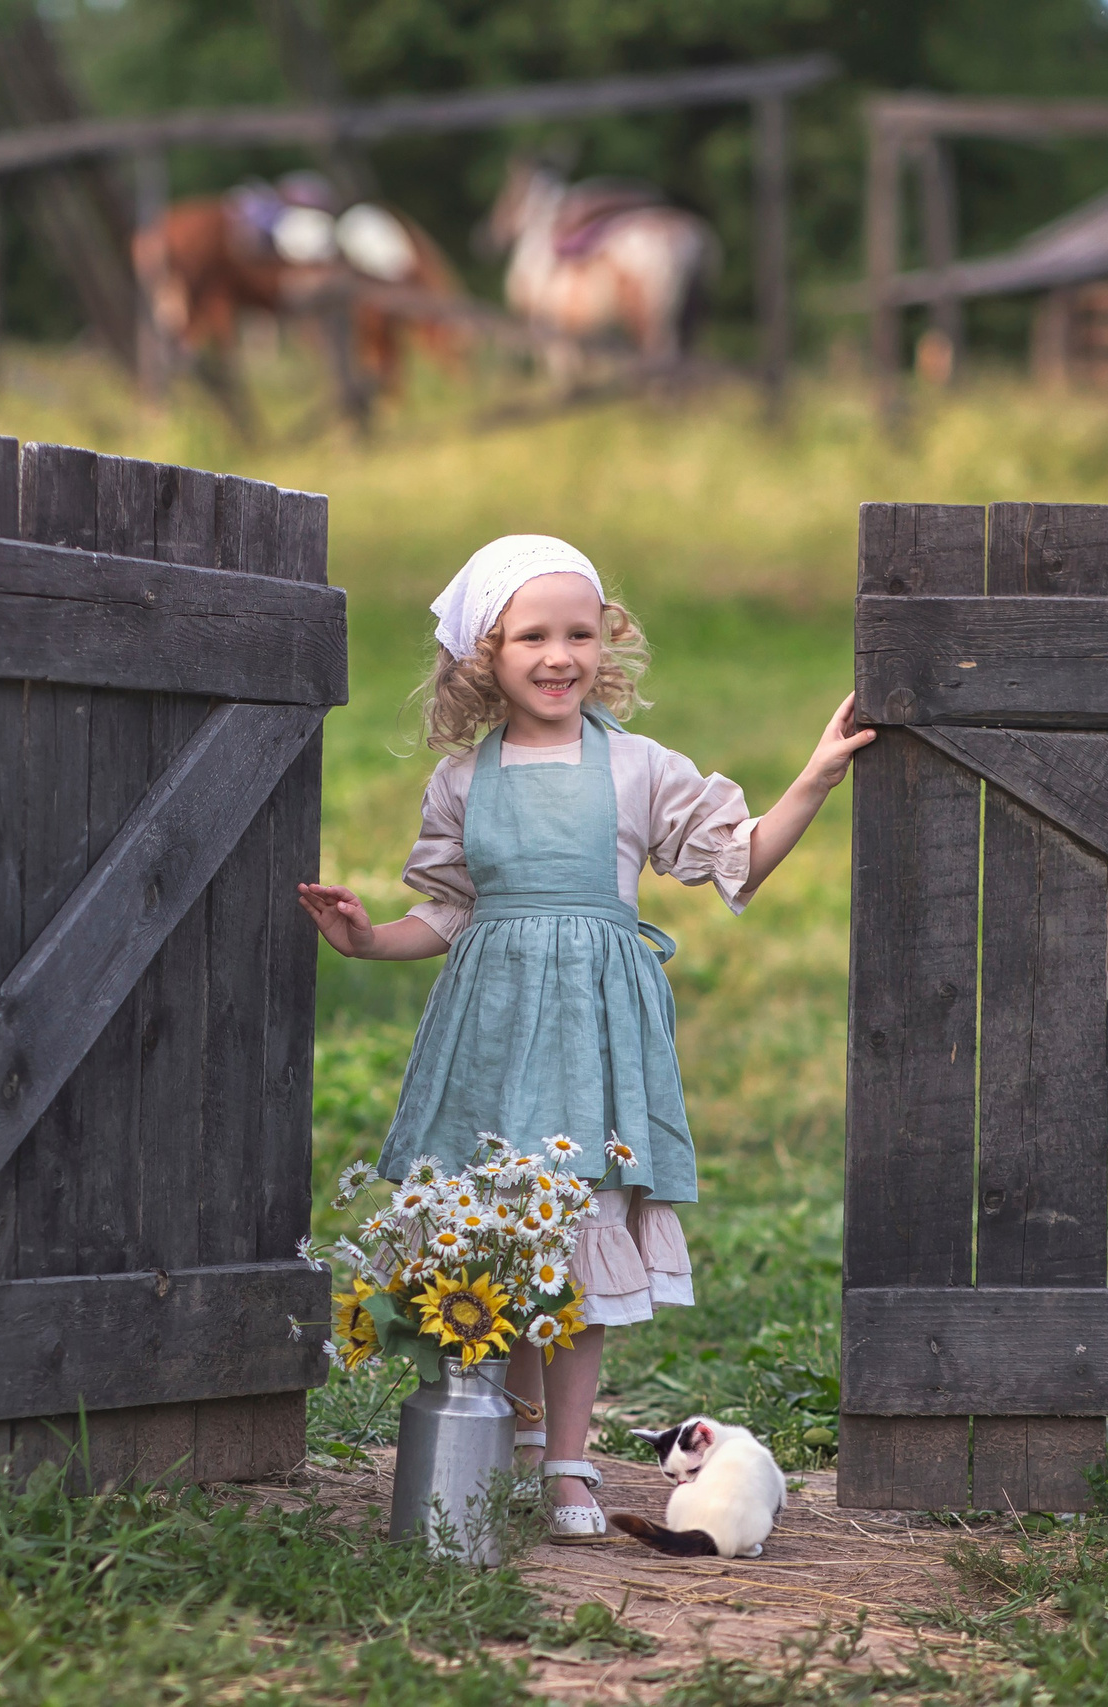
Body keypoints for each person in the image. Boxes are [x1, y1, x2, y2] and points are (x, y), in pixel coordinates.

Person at [297, 534, 872, 1542]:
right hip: (489, 1039)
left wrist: (816, 779)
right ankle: (504, 1447)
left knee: (581, 1251)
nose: (558, 655)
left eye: (579, 632)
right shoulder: (462, 784)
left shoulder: (639, 769)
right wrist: (365, 939)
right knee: (502, 1251)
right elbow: (445, 913)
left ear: (606, 644)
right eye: (532, 635)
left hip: (595, 1041)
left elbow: (736, 859)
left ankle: (567, 1463)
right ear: (486, 655)